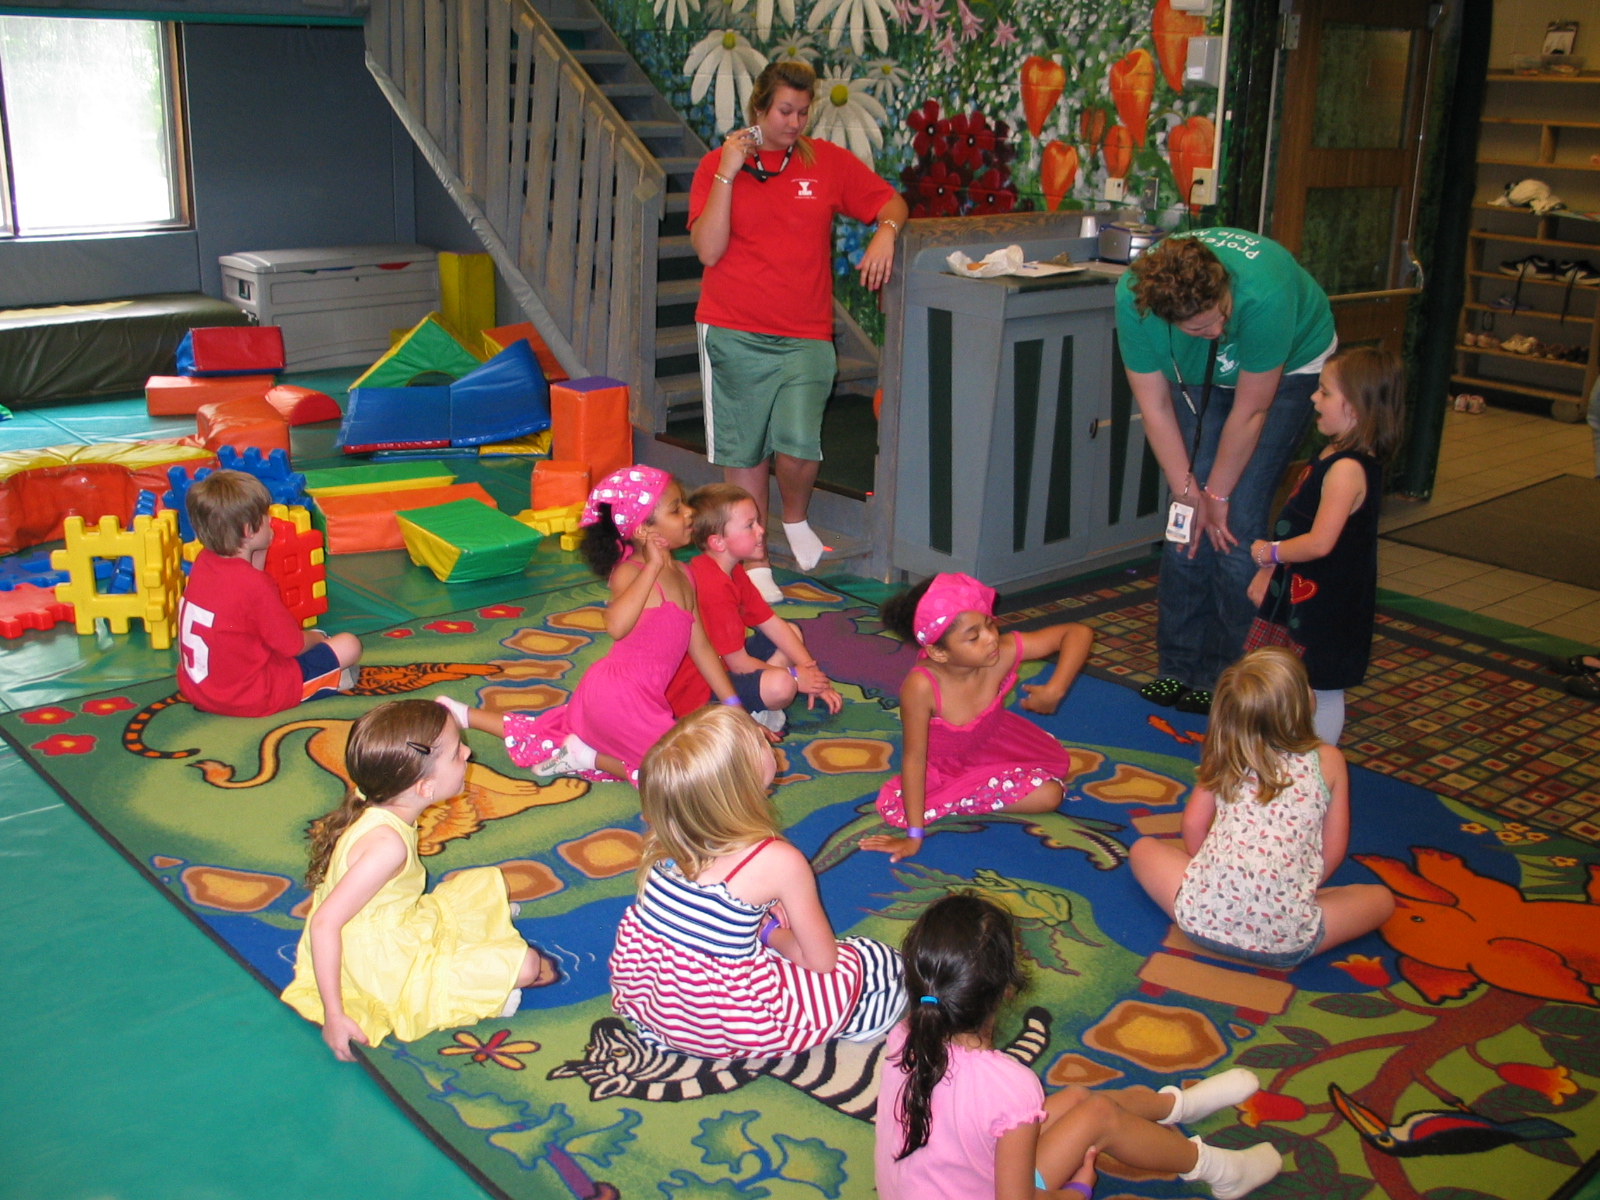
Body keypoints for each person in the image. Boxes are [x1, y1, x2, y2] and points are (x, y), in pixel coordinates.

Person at [875, 893, 1282, 1199]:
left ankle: (1176, 1105)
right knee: (1098, 1116)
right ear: (1007, 988)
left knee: (1076, 1098)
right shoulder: (1009, 1086)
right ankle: (1222, 1171)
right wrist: (1076, 1191)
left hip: (932, 1182)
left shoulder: (906, 1034)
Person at [689, 59, 910, 601]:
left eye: (803, 112)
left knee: (798, 446)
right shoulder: (716, 165)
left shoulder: (824, 161)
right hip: (734, 328)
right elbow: (708, 250)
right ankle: (754, 559)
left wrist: (885, 232)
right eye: (785, 111)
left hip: (805, 332)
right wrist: (728, 171)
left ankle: (793, 517)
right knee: (744, 453)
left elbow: (891, 201)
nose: (794, 122)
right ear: (758, 108)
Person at [1116, 229, 1336, 714]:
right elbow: (1154, 408)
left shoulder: (1263, 295)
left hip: (1289, 367)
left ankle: (1229, 675)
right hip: (1196, 372)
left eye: (1221, 315)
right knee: (1185, 520)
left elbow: (1251, 413)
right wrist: (1188, 491)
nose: (1217, 331)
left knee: (1236, 520)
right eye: (1199, 328)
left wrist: (1216, 494)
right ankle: (1177, 666)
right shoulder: (1134, 301)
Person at [608, 705, 905, 1056]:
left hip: (659, 1009)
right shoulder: (779, 861)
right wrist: (769, 933)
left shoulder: (666, 835)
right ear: (744, 784)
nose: (768, 737)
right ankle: (856, 1017)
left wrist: (764, 908)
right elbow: (821, 961)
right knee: (878, 964)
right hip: (728, 1023)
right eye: (759, 740)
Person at [281, 700, 555, 1061]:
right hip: (380, 965)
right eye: (457, 753)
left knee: (484, 884)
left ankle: (478, 953)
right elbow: (324, 923)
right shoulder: (386, 846)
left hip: (397, 923)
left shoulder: (379, 805)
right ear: (425, 788)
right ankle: (465, 992)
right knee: (527, 966)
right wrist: (335, 1014)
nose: (468, 752)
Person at [435, 466, 743, 782]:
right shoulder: (630, 573)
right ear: (643, 530)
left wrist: (734, 705)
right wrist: (652, 566)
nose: (689, 512)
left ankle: (462, 713)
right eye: (676, 509)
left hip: (638, 700)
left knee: (547, 730)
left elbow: (701, 648)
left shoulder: (684, 574)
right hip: (616, 698)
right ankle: (589, 756)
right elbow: (616, 627)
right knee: (681, 774)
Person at [1129, 647, 1395, 969]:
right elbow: (1334, 848)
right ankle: (1283, 904)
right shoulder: (1328, 760)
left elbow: (1193, 825)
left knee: (1142, 849)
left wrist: (1213, 876)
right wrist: (1292, 889)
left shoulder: (1226, 753)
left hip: (1200, 920)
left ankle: (1234, 895)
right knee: (1382, 900)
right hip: (1286, 941)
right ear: (1301, 704)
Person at [860, 573, 1092, 861]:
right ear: (938, 652)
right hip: (945, 769)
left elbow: (1077, 633)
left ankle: (972, 792)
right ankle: (953, 799)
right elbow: (914, 759)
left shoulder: (1000, 653)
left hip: (997, 744)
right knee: (1049, 795)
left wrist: (1056, 688)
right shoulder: (921, 687)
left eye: (989, 624)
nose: (991, 638)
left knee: (1051, 789)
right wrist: (914, 835)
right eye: (973, 637)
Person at [1245, 348, 1405, 745]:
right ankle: (1281, 755)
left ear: (1355, 407)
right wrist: (1270, 571)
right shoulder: (1330, 454)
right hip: (1300, 589)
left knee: (1320, 686)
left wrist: (1268, 553)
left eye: (1325, 392)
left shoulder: (1347, 469)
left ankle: (1316, 764)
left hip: (1328, 602)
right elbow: (1296, 521)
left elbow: (1318, 542)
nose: (1314, 398)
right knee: (1284, 678)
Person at [177, 469, 362, 717]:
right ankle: (329, 680)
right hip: (251, 696)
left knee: (289, 639)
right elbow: (293, 646)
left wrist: (261, 548)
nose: (270, 520)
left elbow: (248, 598)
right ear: (248, 530)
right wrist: (318, 639)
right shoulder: (255, 586)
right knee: (348, 644)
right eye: (265, 515)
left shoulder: (204, 561)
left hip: (198, 689)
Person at [664, 482, 844, 732]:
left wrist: (812, 674)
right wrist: (795, 677)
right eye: (750, 525)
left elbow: (772, 624)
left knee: (791, 633)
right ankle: (741, 715)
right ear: (718, 542)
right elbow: (738, 663)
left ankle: (755, 701)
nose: (761, 530)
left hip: (724, 663)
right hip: (700, 689)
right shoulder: (711, 586)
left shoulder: (732, 570)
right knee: (782, 686)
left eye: (757, 522)